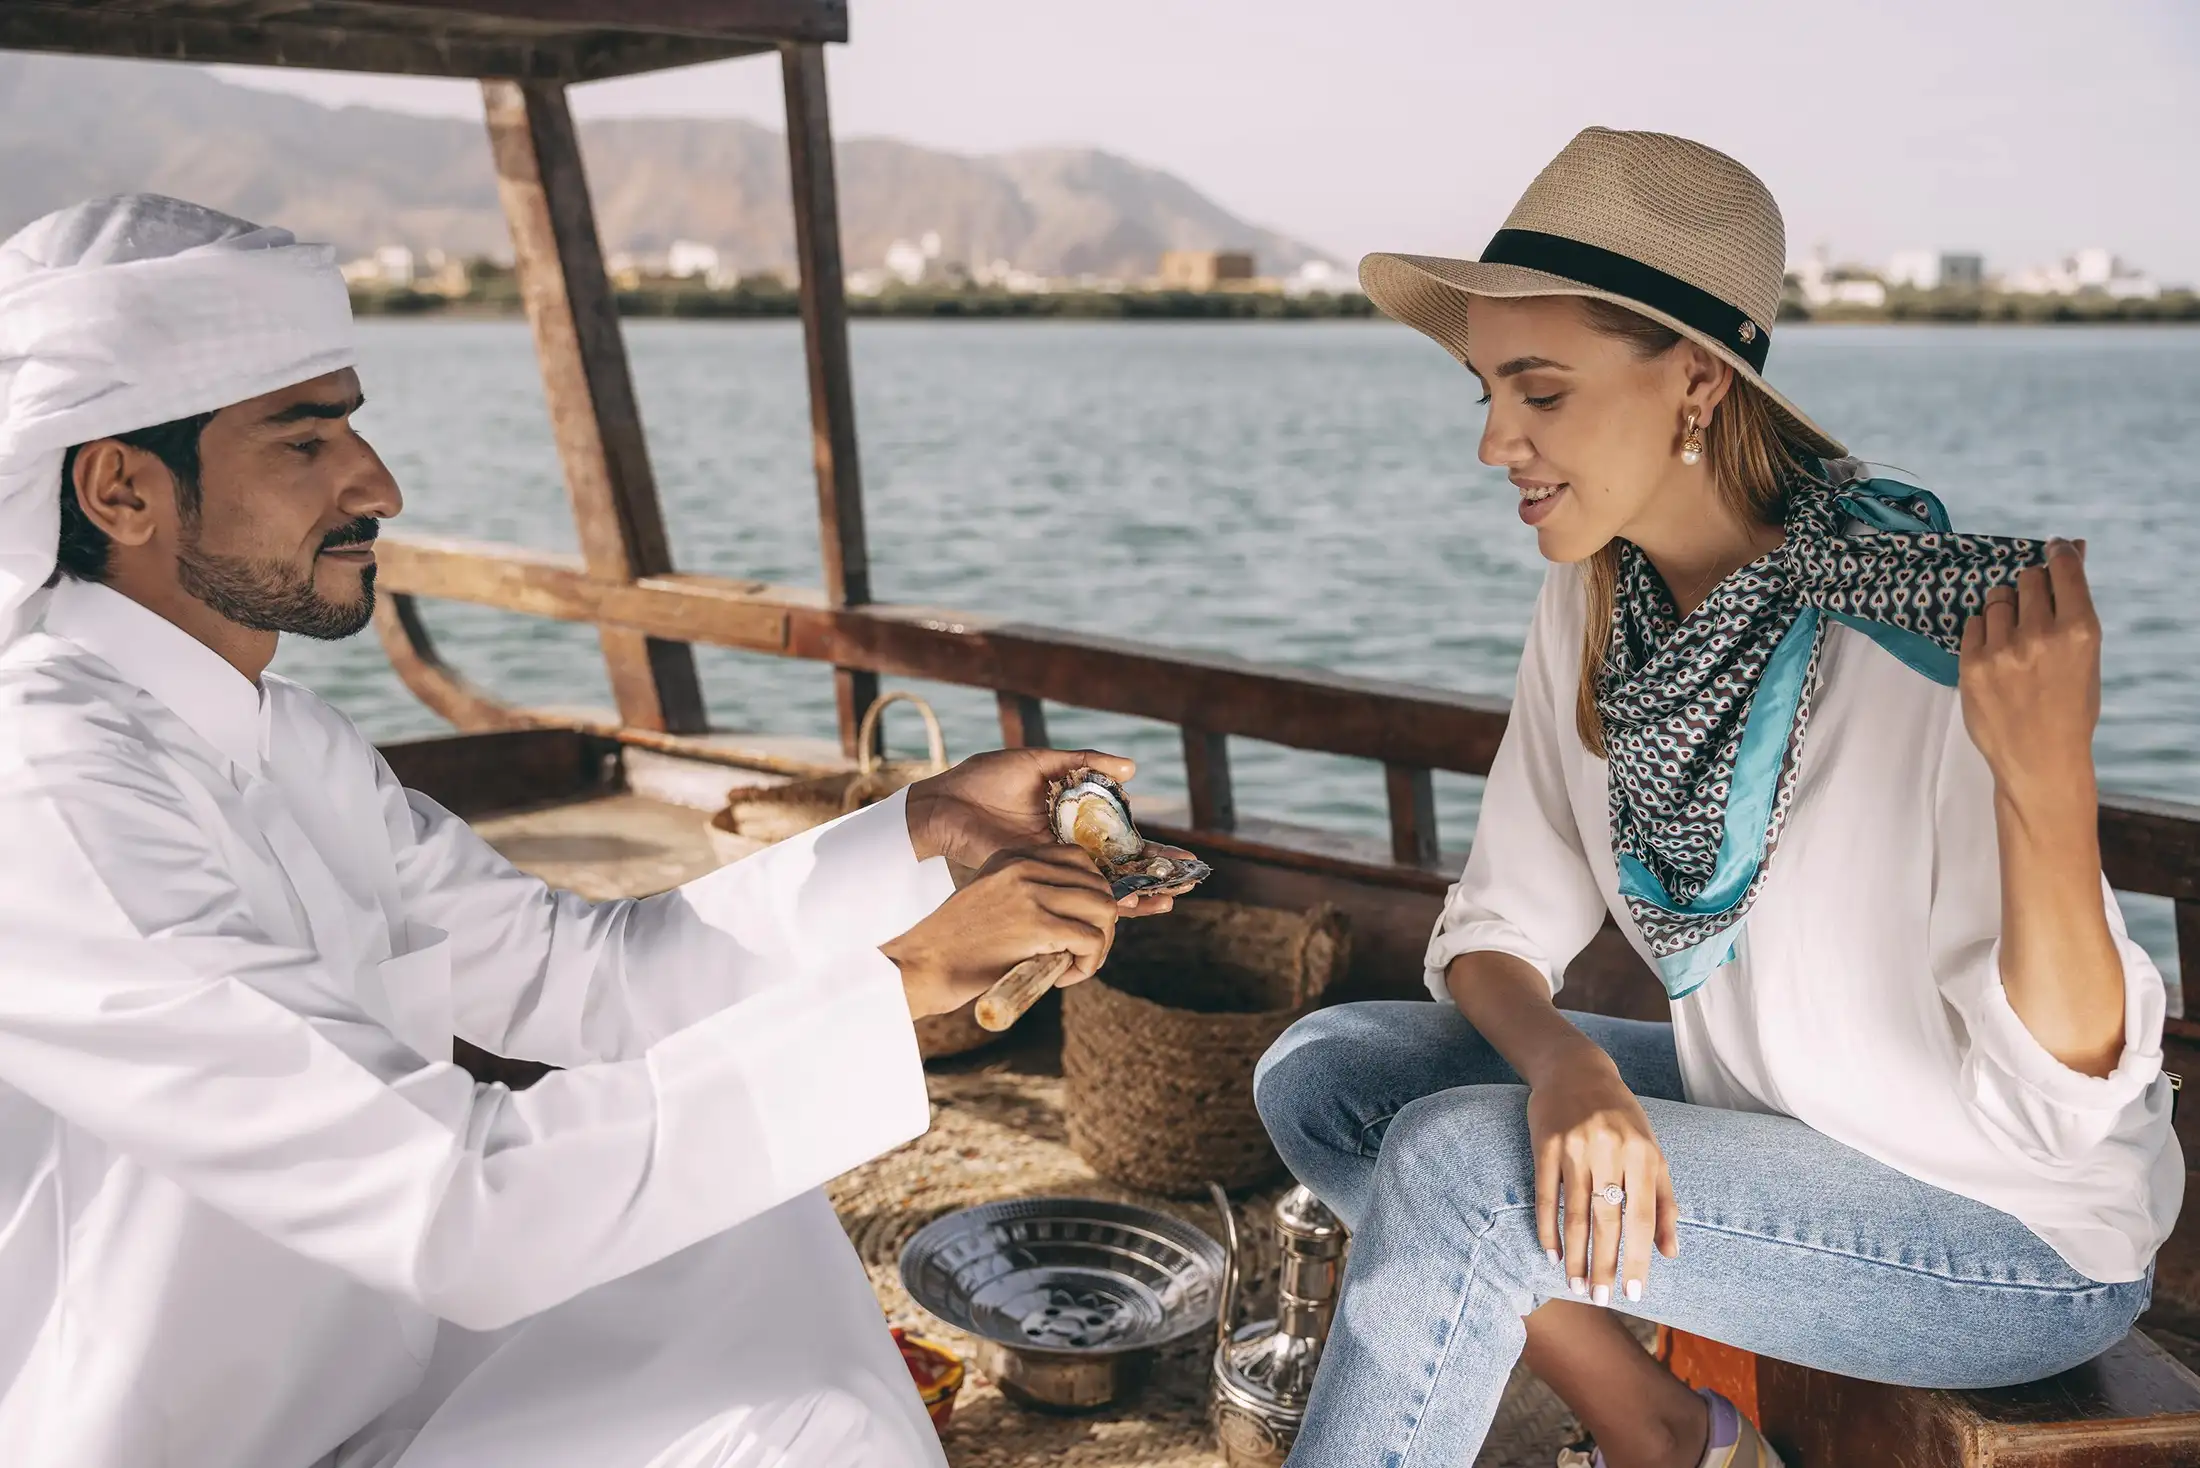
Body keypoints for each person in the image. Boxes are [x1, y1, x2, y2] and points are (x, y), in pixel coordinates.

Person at [0, 194, 1161, 1468]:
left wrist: (920, 835)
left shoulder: (284, 741)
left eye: (354, 432)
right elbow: (457, 1200)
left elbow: (579, 976)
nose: (375, 484)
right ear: (121, 490)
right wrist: (908, 983)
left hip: (370, 1370)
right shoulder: (47, 797)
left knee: (750, 1233)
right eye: (302, 444)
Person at [1253, 129, 2179, 1468]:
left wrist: (2048, 781)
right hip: (1769, 1130)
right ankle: (1662, 1430)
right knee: (1331, 1078)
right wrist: (1569, 1067)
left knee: (1463, 1168)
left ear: (1693, 382)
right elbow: (1497, 931)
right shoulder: (1594, 594)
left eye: (1542, 394)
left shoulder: (1924, 630)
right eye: (1485, 397)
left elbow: (2060, 1106)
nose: (1495, 444)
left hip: (2004, 1231)